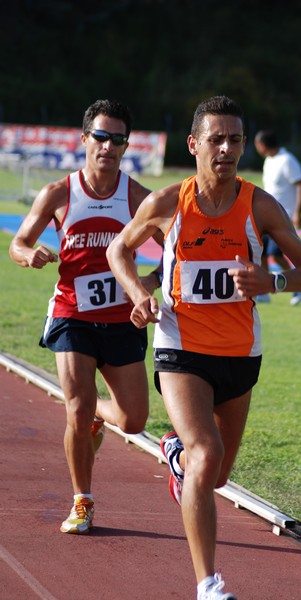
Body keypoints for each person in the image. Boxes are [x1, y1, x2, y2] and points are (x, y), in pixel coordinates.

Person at [107, 96, 301, 600]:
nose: (226, 148)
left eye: (235, 139)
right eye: (216, 139)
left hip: (241, 355)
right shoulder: (166, 204)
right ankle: (208, 584)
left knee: (217, 473)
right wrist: (140, 293)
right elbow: (119, 248)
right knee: (208, 456)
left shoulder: (260, 205)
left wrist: (269, 281)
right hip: (180, 348)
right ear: (194, 144)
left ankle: (176, 455)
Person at [9, 99, 163, 535]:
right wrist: (28, 254)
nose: (108, 146)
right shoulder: (59, 193)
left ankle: (100, 417)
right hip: (71, 313)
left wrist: (149, 281)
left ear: (126, 146)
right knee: (77, 407)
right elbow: (17, 242)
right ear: (84, 140)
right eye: (101, 136)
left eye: (118, 139)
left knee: (133, 421)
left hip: (121, 319)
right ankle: (83, 501)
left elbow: (177, 246)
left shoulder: (137, 197)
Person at [254, 129, 301, 305]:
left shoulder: (287, 160)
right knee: (261, 254)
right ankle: (263, 292)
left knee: (276, 256)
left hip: (283, 218)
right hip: (266, 216)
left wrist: (298, 212)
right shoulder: (269, 161)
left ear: (262, 144)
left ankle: (297, 284)